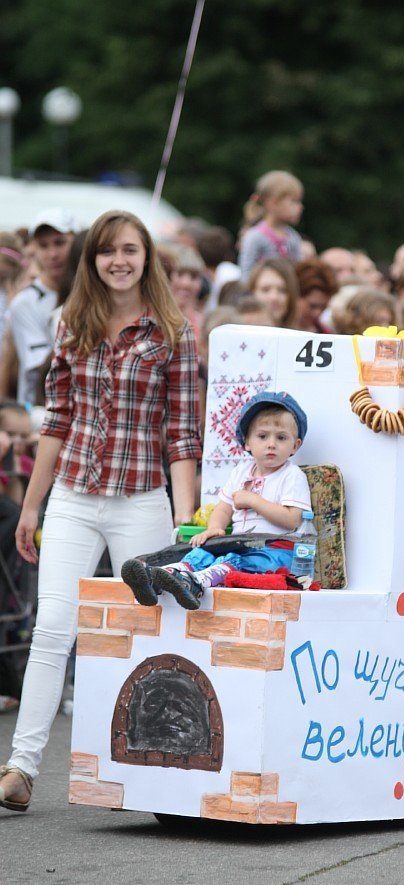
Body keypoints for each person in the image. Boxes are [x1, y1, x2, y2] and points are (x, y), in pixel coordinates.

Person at [0, 210, 202, 814]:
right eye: (107, 251)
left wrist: (186, 523)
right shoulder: (73, 323)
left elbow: (183, 437)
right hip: (73, 498)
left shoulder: (174, 330)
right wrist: (30, 507)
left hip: (142, 501)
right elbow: (55, 423)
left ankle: (150, 770)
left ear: (147, 258)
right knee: (54, 628)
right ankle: (20, 768)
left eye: (130, 250)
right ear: (91, 259)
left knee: (144, 635)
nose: (119, 260)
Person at [122, 392, 311, 611]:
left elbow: (292, 519)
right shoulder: (241, 471)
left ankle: (193, 583)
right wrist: (215, 528)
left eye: (281, 438)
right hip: (241, 545)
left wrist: (253, 500)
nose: (271, 444)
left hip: (274, 550)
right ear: (247, 442)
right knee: (202, 552)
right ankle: (161, 577)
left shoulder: (291, 475)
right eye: (262, 436)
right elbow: (223, 507)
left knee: (232, 561)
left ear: (295, 445)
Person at [4, 209, 78, 407]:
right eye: (43, 246)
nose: (53, 254)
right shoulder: (25, 302)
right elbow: (43, 368)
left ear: (76, 241)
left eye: (60, 243)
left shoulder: (88, 294)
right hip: (39, 411)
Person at [238, 171, 304, 280]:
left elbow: (298, 274)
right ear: (273, 203)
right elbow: (246, 275)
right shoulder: (254, 237)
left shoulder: (293, 238)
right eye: (294, 201)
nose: (300, 207)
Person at [248, 258, 299, 327]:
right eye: (265, 289)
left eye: (282, 290)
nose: (274, 297)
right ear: (252, 293)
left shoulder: (301, 336)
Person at [294, 258, 338, 332]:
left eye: (324, 307)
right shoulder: (273, 331)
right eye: (312, 306)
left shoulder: (327, 335)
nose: (317, 313)